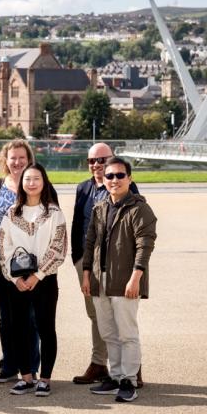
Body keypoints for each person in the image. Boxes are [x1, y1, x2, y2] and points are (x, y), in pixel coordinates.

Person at [0, 140, 59, 383]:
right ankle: (10, 365)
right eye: (12, 158)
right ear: (5, 160)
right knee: (9, 318)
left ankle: (32, 368)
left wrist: (41, 271)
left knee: (35, 319)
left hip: (38, 267)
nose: (16, 162)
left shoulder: (42, 188)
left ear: (29, 160)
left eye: (21, 158)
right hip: (5, 266)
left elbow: (54, 229)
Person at [82, 157, 156, 403]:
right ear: (103, 180)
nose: (114, 180)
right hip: (98, 279)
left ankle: (129, 380)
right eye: (110, 176)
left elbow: (144, 245)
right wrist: (86, 274)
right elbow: (90, 242)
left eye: (120, 175)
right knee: (108, 332)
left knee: (127, 333)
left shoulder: (140, 209)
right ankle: (114, 377)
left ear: (129, 179)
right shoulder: (100, 208)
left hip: (125, 279)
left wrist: (136, 277)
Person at [71, 143, 141, 387]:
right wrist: (78, 262)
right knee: (97, 316)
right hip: (88, 262)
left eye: (102, 160)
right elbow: (78, 225)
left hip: (117, 265)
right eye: (92, 161)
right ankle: (100, 363)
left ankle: (132, 369)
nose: (97, 165)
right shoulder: (83, 188)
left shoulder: (123, 186)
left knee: (122, 316)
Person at [0, 163, 67, 397]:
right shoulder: (11, 213)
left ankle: (45, 378)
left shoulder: (53, 212)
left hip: (44, 280)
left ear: (44, 182)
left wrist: (38, 275)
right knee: (19, 328)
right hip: (17, 281)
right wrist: (13, 277)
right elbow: (3, 247)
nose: (31, 183)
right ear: (21, 183)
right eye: (27, 179)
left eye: (36, 178)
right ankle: (26, 377)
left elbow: (58, 247)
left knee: (46, 328)